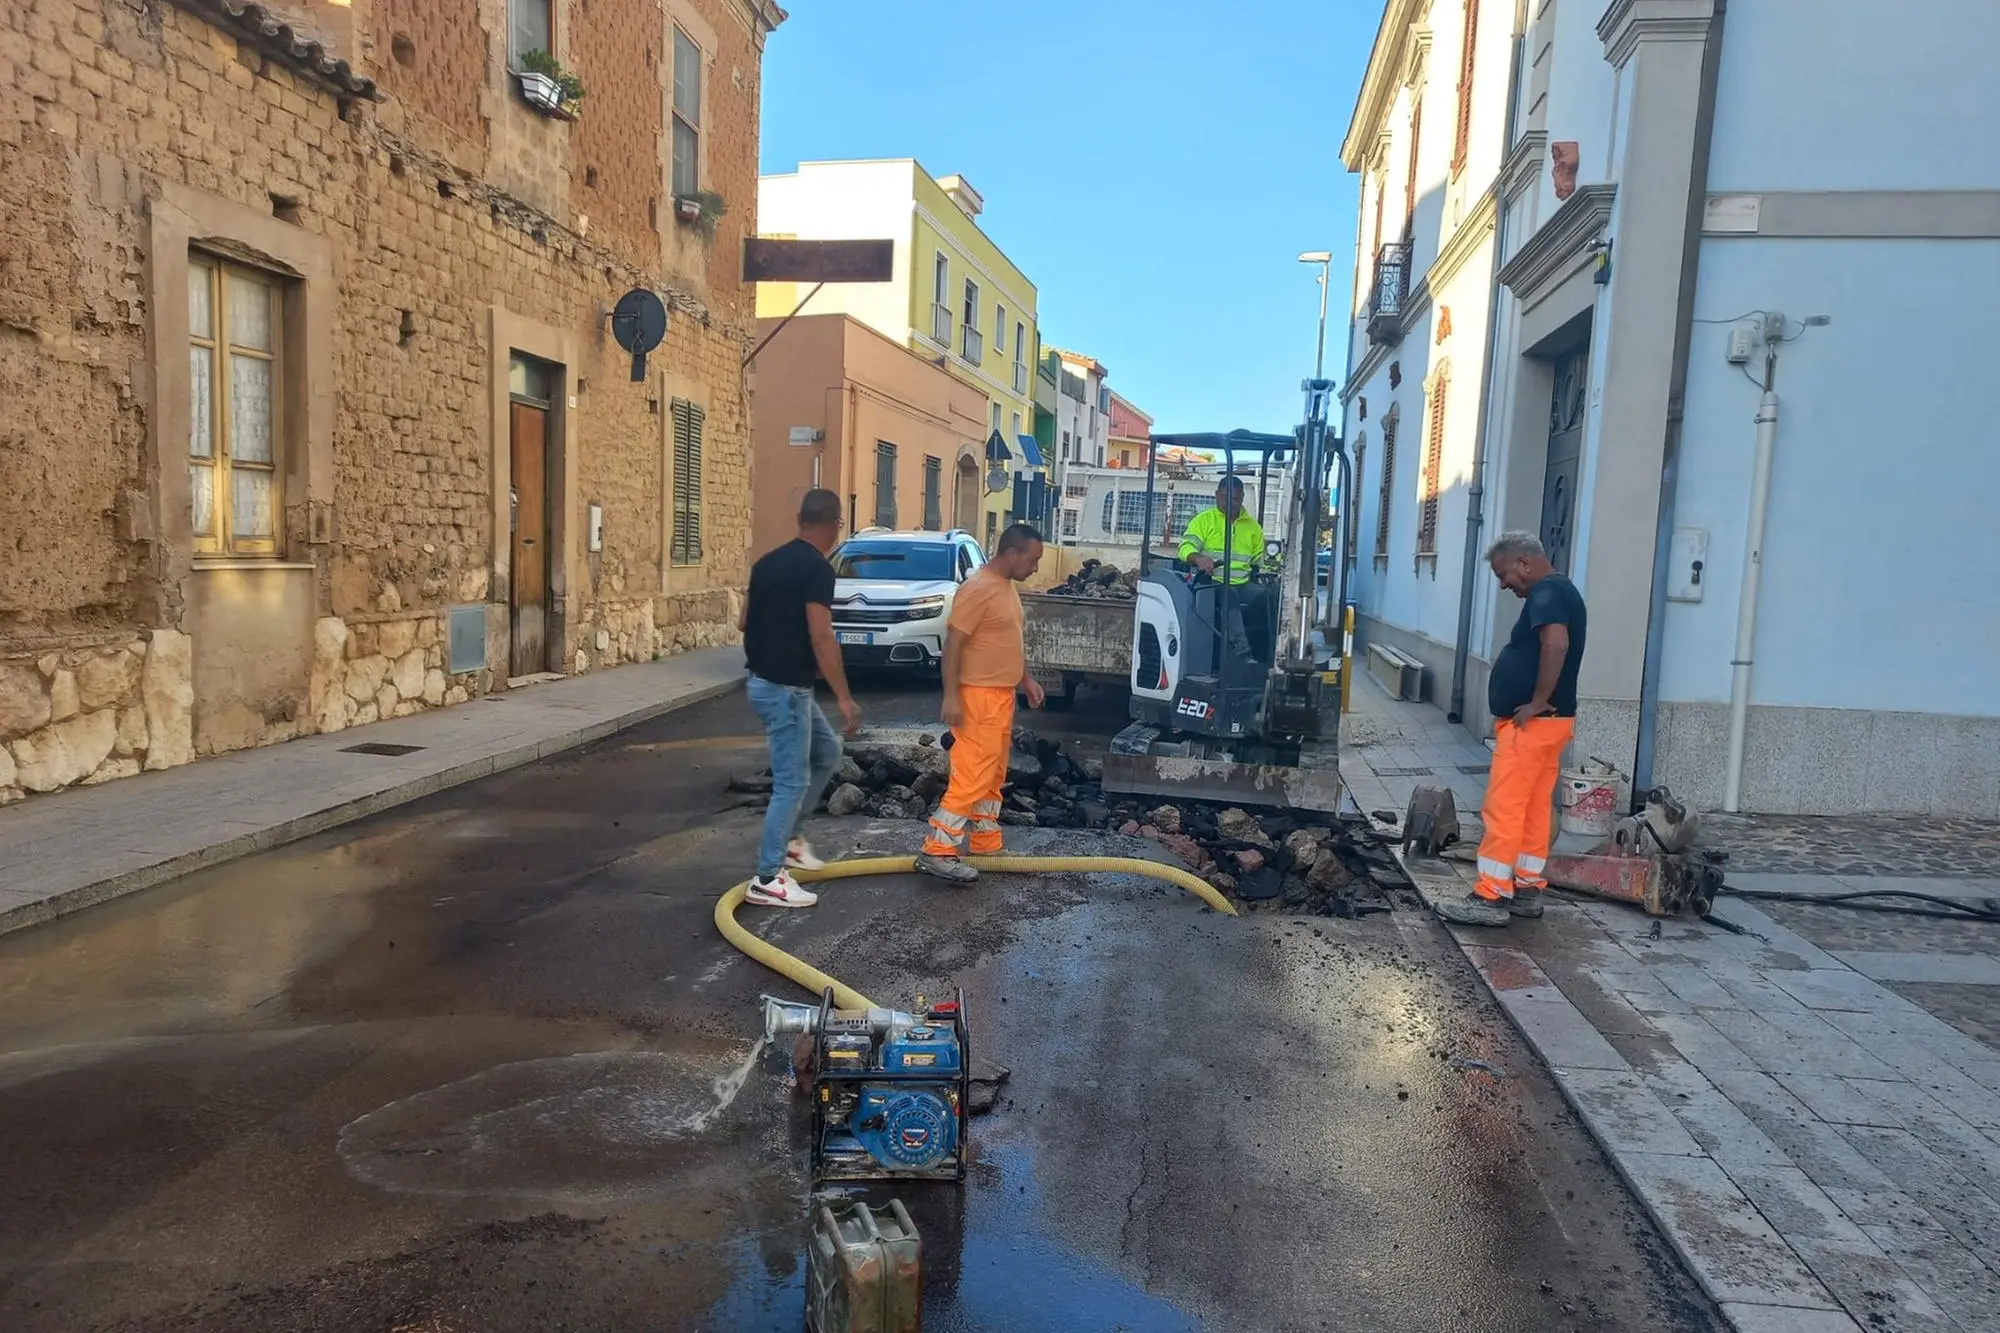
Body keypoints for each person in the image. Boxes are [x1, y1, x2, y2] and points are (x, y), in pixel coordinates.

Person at [1435, 531, 1588, 928]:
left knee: (1504, 809)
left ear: (1525, 563)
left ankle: (1490, 895)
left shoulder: (1547, 593)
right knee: (1534, 809)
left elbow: (1556, 646)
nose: (1504, 584)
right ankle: (1527, 888)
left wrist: (1536, 702)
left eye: (1505, 574)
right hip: (1553, 724)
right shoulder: (1563, 590)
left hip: (1534, 724)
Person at [739, 489, 861, 908]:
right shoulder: (817, 569)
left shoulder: (766, 564)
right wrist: (844, 698)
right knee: (792, 781)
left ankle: (791, 842)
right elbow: (821, 634)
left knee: (827, 751)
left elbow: (743, 621)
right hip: (785, 689)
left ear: (799, 518)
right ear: (835, 526)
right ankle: (768, 878)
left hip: (767, 682)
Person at [915, 522, 1046, 884]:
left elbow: (1007, 640)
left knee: (992, 774)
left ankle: (986, 841)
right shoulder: (978, 589)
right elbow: (953, 645)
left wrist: (1026, 679)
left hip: (1000, 696)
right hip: (977, 697)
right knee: (972, 774)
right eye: (1032, 559)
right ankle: (937, 850)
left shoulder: (1003, 587)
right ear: (1012, 553)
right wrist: (952, 696)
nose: (1035, 568)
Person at [1178, 475, 1273, 662]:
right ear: (1216, 495)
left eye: (1235, 499)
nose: (1229, 503)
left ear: (1242, 497)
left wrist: (1272, 568)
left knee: (1270, 596)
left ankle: (1268, 655)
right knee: (1229, 595)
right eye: (1224, 497)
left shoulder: (1253, 528)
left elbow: (1261, 562)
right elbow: (1184, 549)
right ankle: (1243, 654)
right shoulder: (1204, 521)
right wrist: (1199, 558)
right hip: (1212, 583)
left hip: (1243, 584)